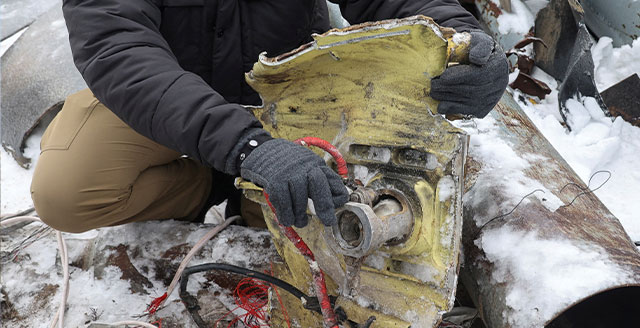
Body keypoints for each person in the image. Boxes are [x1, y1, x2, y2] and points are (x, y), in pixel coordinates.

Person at [30, 0, 508, 233]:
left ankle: (243, 193)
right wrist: (244, 147)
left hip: (288, 95)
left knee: (306, 226)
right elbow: (119, 50)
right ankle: (208, 182)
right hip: (160, 94)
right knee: (67, 194)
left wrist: (460, 42)